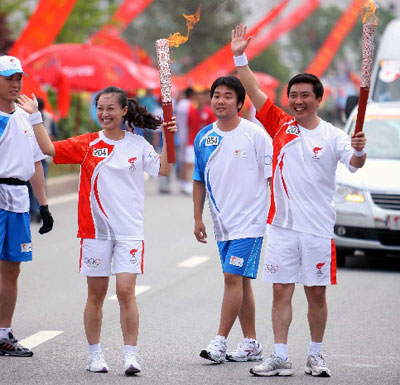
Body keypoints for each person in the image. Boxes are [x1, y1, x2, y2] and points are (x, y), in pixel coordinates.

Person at [231, 25, 367, 377]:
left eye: (305, 95)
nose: (298, 101)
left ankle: (316, 355)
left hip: (317, 229)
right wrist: (239, 56)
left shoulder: (334, 136)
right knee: (280, 290)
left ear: (318, 99)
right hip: (281, 227)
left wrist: (361, 151)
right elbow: (253, 89)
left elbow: (353, 163)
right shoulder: (279, 124)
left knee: (316, 295)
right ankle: (279, 355)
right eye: (294, 95)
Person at [20, 86, 177, 376]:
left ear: (124, 110)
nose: (104, 114)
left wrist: (169, 137)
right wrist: (35, 118)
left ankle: (131, 355)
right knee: (96, 294)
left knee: (126, 291)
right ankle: (95, 354)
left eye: (110, 108)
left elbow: (164, 170)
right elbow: (49, 150)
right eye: (100, 108)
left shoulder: (138, 145)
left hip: (129, 230)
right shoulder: (89, 144)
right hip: (95, 232)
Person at [193, 76, 272, 364]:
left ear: (240, 103)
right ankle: (251, 343)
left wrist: (274, 218)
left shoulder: (256, 135)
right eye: (216, 95)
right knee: (241, 283)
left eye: (228, 96)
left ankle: (219, 342)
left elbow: (271, 178)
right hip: (222, 223)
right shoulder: (204, 137)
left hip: (251, 221)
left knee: (231, 277)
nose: (221, 100)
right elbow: (199, 180)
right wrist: (197, 218)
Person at [0, 55, 53, 357]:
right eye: (8, 78)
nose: (15, 83)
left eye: (18, 77)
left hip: (19, 201)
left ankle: (3, 333)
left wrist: (43, 206)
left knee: (12, 270)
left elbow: (36, 164)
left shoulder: (24, 118)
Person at [28, 97, 58, 222]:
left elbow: (55, 135)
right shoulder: (24, 116)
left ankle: (40, 209)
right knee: (28, 185)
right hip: (29, 156)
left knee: (40, 182)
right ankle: (31, 211)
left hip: (44, 156)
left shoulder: (49, 117)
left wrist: (46, 139)